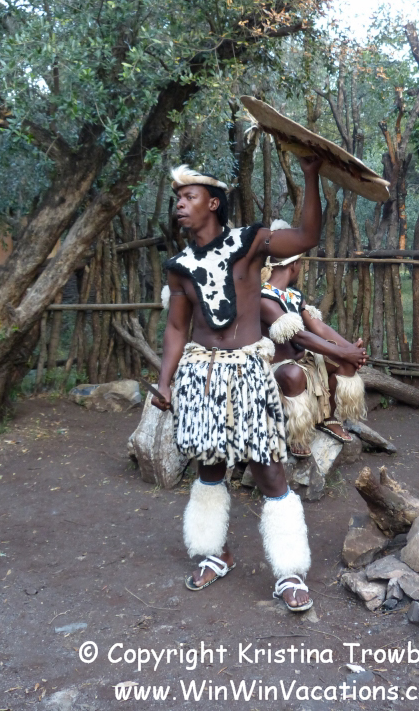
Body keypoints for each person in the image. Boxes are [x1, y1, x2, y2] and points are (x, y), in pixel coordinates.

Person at [152, 159, 322, 611]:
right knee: (209, 467)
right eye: (177, 198)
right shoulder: (179, 266)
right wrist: (165, 382)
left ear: (213, 203)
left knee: (268, 468)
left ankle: (289, 572)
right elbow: (176, 327)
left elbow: (307, 237)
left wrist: (310, 175)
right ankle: (216, 553)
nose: (179, 204)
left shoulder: (250, 243)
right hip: (201, 375)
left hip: (247, 372)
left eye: (188, 197)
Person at [260, 233, 368, 457]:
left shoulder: (293, 295)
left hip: (303, 359)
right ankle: (297, 433)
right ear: (294, 265)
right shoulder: (263, 298)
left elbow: (317, 326)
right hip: (276, 367)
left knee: (345, 363)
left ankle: (328, 417)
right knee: (293, 375)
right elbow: (299, 336)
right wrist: (344, 351)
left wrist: (350, 350)